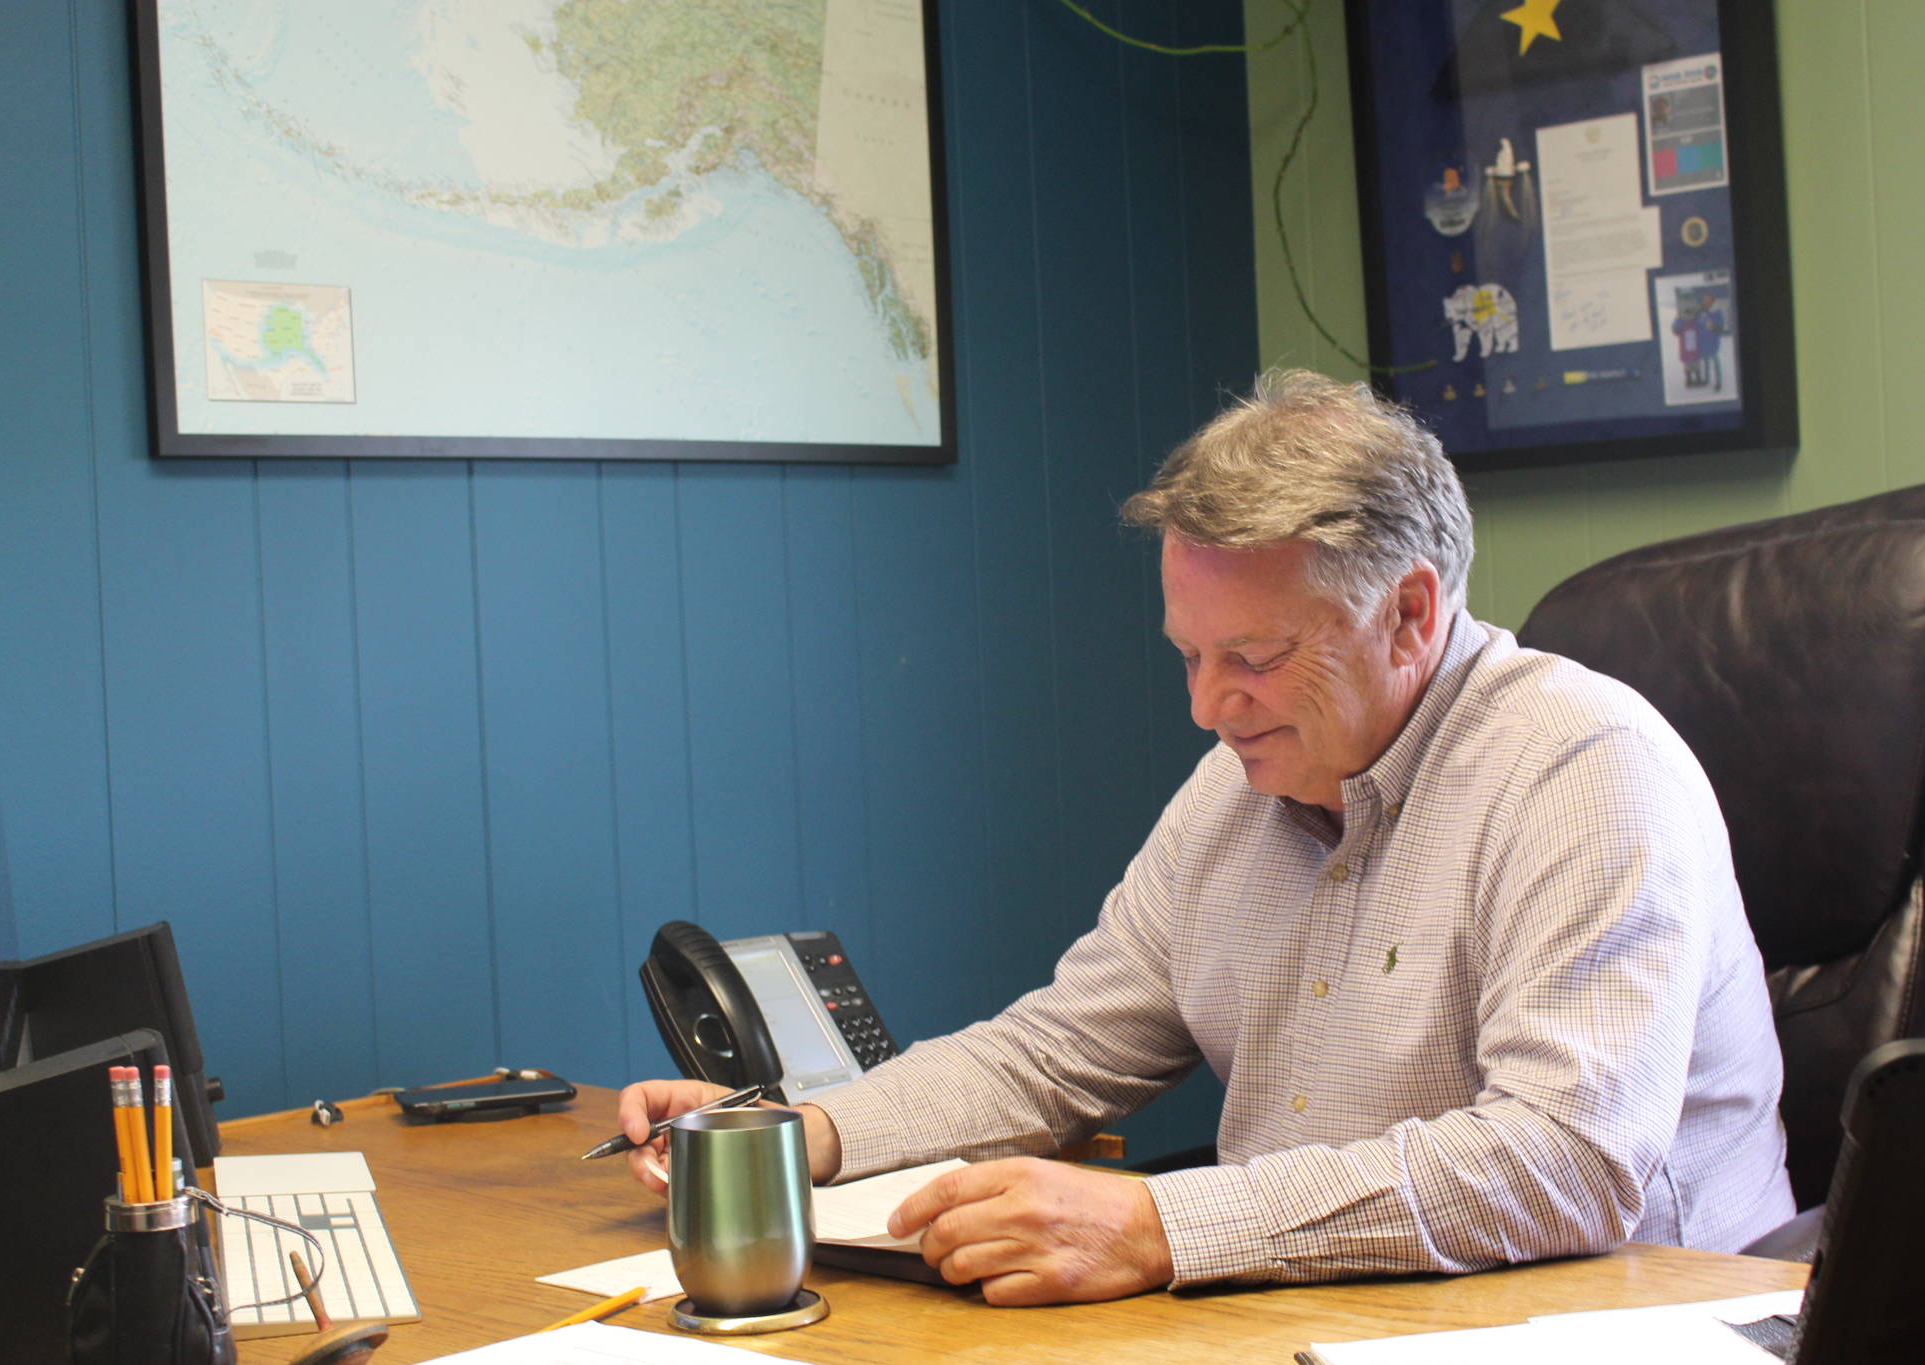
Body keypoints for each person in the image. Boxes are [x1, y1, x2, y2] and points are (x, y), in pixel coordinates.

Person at [618, 370, 1795, 1306]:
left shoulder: (1582, 768)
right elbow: (1054, 1054)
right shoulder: (1235, 785)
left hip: (1616, 1319)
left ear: (1411, 613)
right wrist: (800, 1134)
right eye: (1189, 653)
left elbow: (1562, 1165)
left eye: (1255, 657)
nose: (1205, 704)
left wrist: (1153, 1225)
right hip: (1322, 1310)